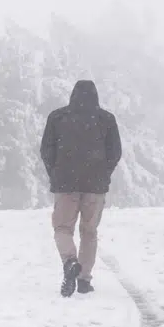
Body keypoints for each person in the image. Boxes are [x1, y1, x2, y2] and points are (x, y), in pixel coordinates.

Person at [39, 79, 122, 298]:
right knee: (89, 231)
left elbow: (46, 150)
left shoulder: (57, 118)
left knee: (62, 228)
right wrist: (103, 173)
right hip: (95, 185)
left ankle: (70, 261)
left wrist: (55, 172)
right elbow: (115, 152)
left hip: (66, 183)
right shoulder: (106, 120)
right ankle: (84, 279)